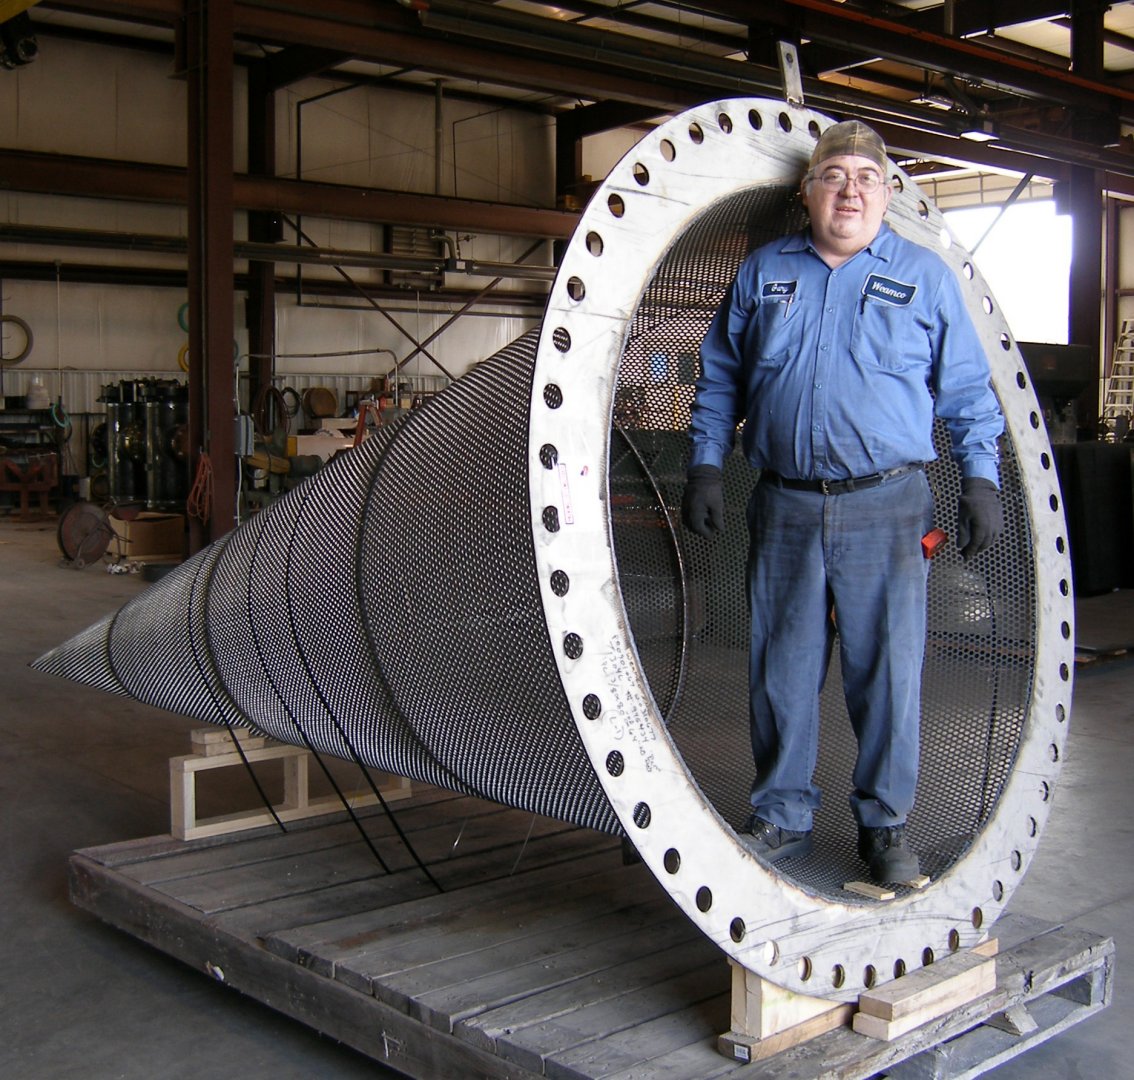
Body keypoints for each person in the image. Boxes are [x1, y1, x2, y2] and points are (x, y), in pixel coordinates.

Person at [681, 120, 1005, 885]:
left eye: (866, 176)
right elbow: (720, 377)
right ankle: (782, 816)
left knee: (887, 672)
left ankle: (885, 828)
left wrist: (983, 477)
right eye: (834, 175)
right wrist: (702, 465)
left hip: (887, 509)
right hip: (786, 506)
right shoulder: (764, 272)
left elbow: (964, 392)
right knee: (780, 669)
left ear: (887, 194)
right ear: (808, 191)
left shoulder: (924, 278)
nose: (849, 188)